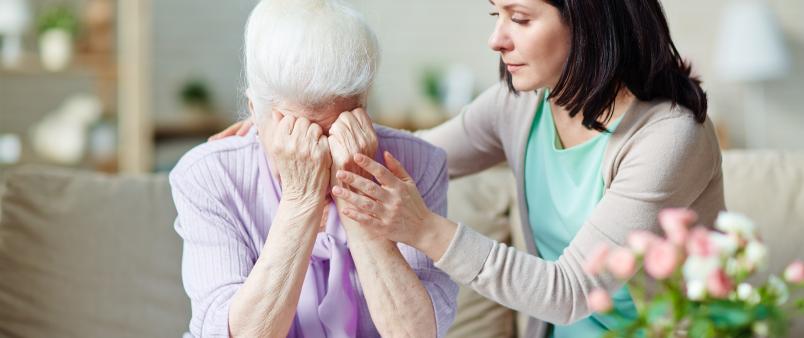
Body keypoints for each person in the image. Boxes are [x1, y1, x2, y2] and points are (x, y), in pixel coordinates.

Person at [212, 0, 725, 337]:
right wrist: (289, 132)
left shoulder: (669, 137)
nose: (496, 39)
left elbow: (573, 293)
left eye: (519, 18)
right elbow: (409, 154)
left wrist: (425, 229)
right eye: (495, 14)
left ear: (591, 20)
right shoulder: (520, 105)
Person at [171, 1, 457, 337]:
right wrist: (299, 200)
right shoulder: (208, 177)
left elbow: (415, 334)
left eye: (337, 129)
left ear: (364, 107)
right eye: (300, 134)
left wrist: (357, 195)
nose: (320, 154)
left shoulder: (419, 166)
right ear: (255, 113)